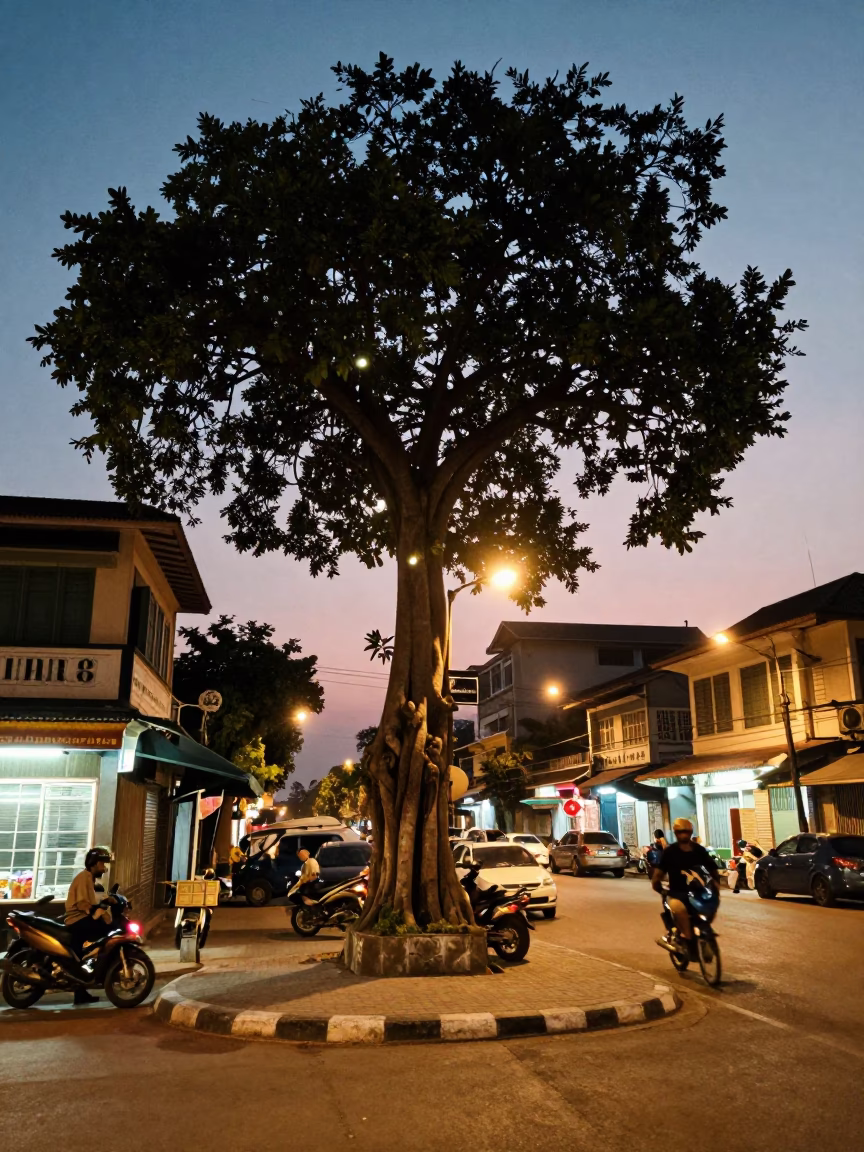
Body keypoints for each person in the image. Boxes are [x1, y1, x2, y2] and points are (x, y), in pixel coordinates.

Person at [651, 818, 720, 960]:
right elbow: (659, 874)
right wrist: (658, 886)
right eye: (680, 832)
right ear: (676, 833)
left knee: (712, 905)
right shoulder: (670, 852)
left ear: (691, 832)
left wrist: (716, 885)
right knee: (679, 909)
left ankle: (704, 930)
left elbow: (712, 868)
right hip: (677, 893)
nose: (683, 835)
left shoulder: (699, 850)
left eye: (686, 831)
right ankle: (688, 940)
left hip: (699, 891)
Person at [64, 846, 115, 1004]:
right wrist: (97, 911)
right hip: (76, 920)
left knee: (83, 950)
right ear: (93, 863)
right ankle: (91, 967)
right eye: (102, 864)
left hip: (81, 918)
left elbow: (94, 899)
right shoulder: (84, 877)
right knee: (104, 931)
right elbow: (83, 903)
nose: (104, 868)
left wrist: (106, 902)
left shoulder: (90, 879)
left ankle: (81, 990)